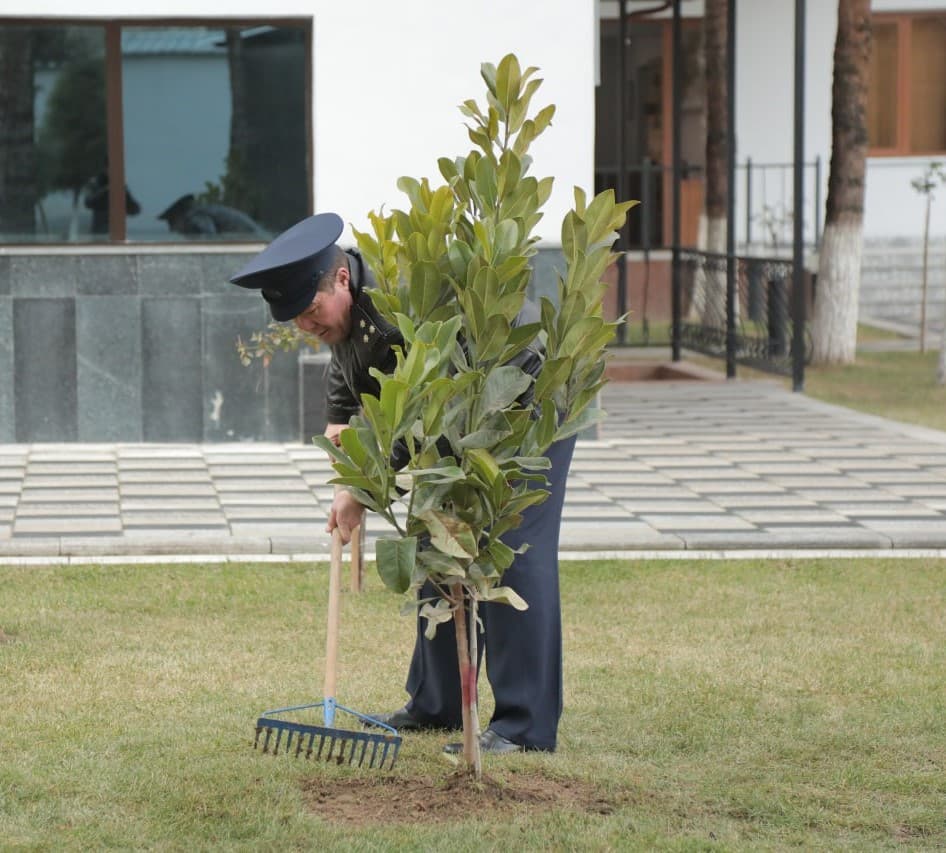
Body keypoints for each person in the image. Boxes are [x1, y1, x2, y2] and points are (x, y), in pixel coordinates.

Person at [230, 212, 576, 754]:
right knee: (431, 538)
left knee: (510, 548)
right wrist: (341, 420)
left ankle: (523, 727)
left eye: (311, 311)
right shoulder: (349, 306)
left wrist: (361, 494)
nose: (305, 327)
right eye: (294, 319)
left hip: (523, 395)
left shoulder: (395, 305)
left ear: (340, 278)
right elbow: (348, 357)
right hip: (459, 410)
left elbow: (416, 417)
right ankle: (436, 704)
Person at [159, 193, 268, 238]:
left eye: (171, 223)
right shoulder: (202, 211)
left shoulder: (195, 216)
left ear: (179, 216)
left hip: (252, 238)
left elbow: (210, 236)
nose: (171, 229)